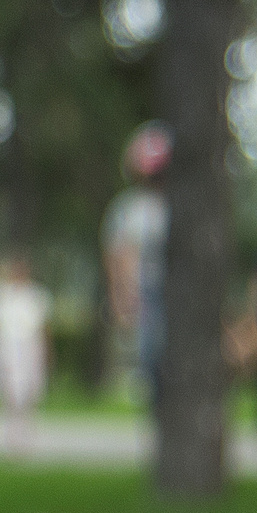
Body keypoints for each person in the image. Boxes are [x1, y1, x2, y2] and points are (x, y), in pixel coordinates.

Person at [102, 126, 170, 405]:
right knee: (150, 352)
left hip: (170, 290)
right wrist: (121, 296)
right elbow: (118, 257)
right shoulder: (128, 209)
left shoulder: (175, 204)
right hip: (144, 290)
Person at [0, 254, 52, 453]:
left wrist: (45, 352)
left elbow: (42, 327)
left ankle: (25, 434)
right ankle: (8, 436)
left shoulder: (36, 295)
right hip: (4, 346)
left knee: (28, 392)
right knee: (7, 392)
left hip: (28, 347)